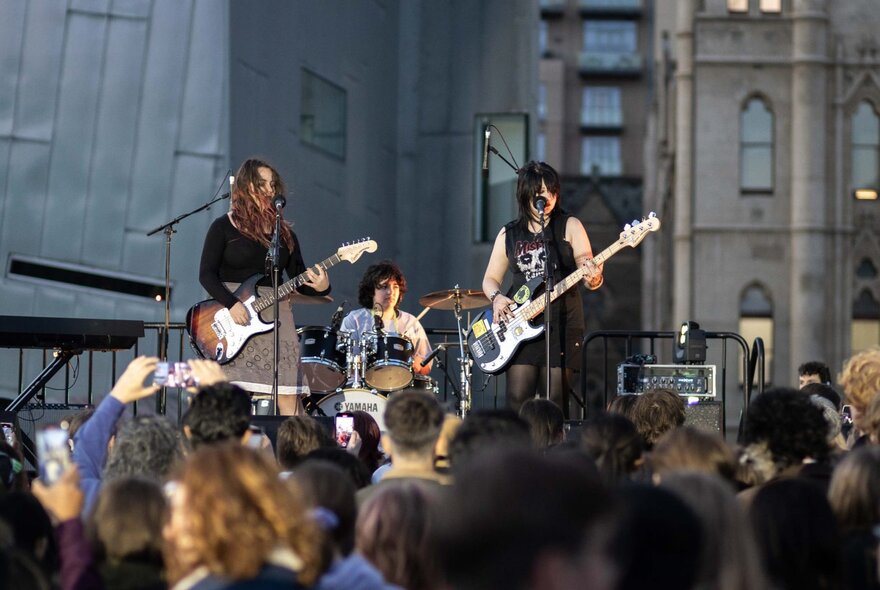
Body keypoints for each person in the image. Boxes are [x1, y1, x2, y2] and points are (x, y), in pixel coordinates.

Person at [199, 158, 331, 415]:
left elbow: (299, 280)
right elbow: (206, 275)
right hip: (233, 317)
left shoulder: (284, 234)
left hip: (277, 317)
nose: (270, 189)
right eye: (262, 184)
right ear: (246, 187)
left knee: (288, 398)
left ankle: (292, 451)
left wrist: (322, 285)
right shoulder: (223, 227)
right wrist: (232, 303)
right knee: (231, 400)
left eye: (273, 184)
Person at [481, 161, 603, 415]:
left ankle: (554, 452)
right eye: (540, 192)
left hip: (562, 322)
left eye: (552, 191)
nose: (547, 197)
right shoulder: (510, 233)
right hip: (520, 324)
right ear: (526, 194)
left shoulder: (570, 225)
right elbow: (491, 278)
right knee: (517, 397)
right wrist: (497, 298)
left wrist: (593, 278)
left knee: (556, 400)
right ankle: (519, 452)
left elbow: (586, 265)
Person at [340, 260, 433, 381]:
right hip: (363, 390)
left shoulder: (410, 322)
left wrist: (419, 365)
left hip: (401, 389)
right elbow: (344, 364)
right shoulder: (354, 320)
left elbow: (426, 364)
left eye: (395, 287)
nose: (391, 292)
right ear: (370, 291)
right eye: (384, 287)